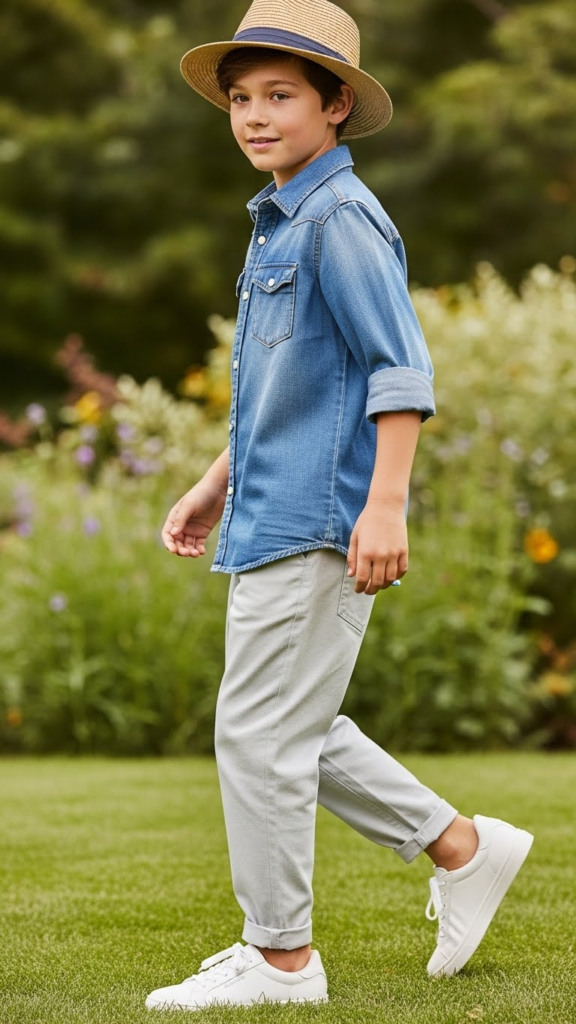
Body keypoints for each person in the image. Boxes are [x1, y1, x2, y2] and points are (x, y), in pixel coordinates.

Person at [146, 0, 534, 1011]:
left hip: (321, 518)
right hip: (269, 506)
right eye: (240, 98)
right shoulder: (282, 217)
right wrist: (214, 477)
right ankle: (462, 847)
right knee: (291, 724)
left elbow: (396, 370)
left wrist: (386, 507)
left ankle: (281, 960)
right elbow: (288, 388)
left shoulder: (339, 217)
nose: (254, 115)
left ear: (335, 106)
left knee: (259, 734)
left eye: (280, 95)